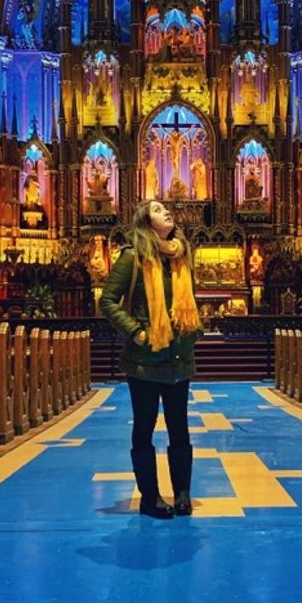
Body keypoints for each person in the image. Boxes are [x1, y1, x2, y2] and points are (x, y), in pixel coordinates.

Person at [100, 199, 202, 518]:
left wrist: (190, 331)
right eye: (158, 210)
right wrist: (137, 332)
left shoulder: (181, 256)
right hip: (144, 360)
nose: (167, 212)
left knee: (180, 428)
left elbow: (188, 300)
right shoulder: (132, 257)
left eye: (166, 209)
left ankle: (183, 493)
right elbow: (108, 301)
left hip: (178, 357)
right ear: (145, 222)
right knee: (144, 428)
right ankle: (149, 497)